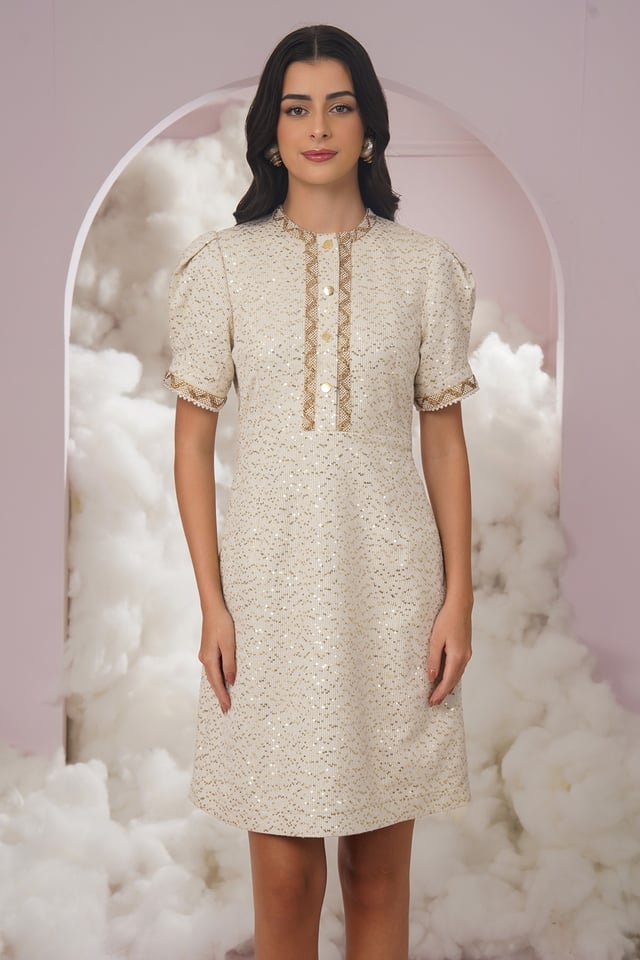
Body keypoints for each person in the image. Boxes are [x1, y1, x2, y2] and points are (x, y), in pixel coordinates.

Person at [164, 23, 477, 960]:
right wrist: (212, 603)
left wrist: (458, 599)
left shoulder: (425, 269)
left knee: (377, 876)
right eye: (297, 108)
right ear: (271, 130)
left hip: (392, 596)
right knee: (287, 879)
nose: (318, 127)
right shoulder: (223, 268)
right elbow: (192, 446)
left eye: (340, 106)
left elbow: (445, 443)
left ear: (368, 126)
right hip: (269, 597)